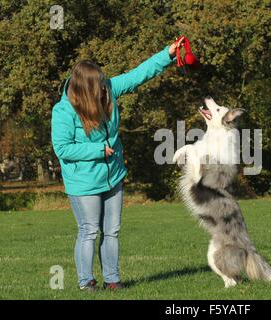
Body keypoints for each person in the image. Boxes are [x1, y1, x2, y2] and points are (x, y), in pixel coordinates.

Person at [51, 38, 184, 291]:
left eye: (104, 84)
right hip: (83, 181)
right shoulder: (64, 111)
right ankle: (86, 282)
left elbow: (138, 75)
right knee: (89, 230)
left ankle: (112, 280)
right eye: (98, 87)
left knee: (111, 231)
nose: (104, 90)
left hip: (113, 175)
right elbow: (62, 148)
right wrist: (97, 150)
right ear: (84, 89)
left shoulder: (108, 89)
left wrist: (167, 53)